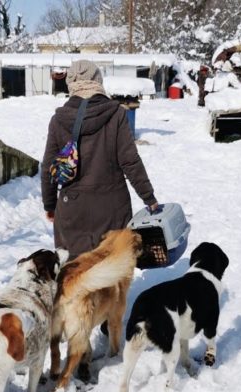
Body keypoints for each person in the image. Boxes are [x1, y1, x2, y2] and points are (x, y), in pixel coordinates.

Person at [41, 60, 159, 258]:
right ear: (98, 80)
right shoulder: (115, 114)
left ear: (71, 83)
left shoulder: (59, 120)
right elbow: (130, 161)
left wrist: (50, 205)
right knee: (110, 274)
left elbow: (48, 168)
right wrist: (149, 197)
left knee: (76, 277)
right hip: (112, 207)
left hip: (72, 208)